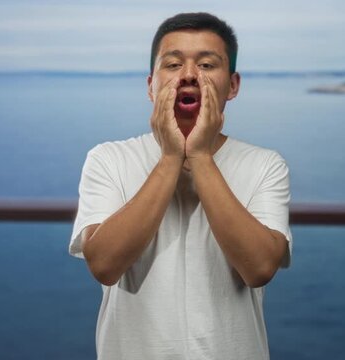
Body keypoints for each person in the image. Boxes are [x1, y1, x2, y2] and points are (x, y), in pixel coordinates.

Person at [69, 12, 292, 360]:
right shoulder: (108, 159)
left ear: (232, 85)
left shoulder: (265, 164)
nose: (189, 75)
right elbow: (104, 265)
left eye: (206, 64)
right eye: (172, 65)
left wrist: (200, 156)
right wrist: (170, 158)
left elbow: (260, 268)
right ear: (150, 85)